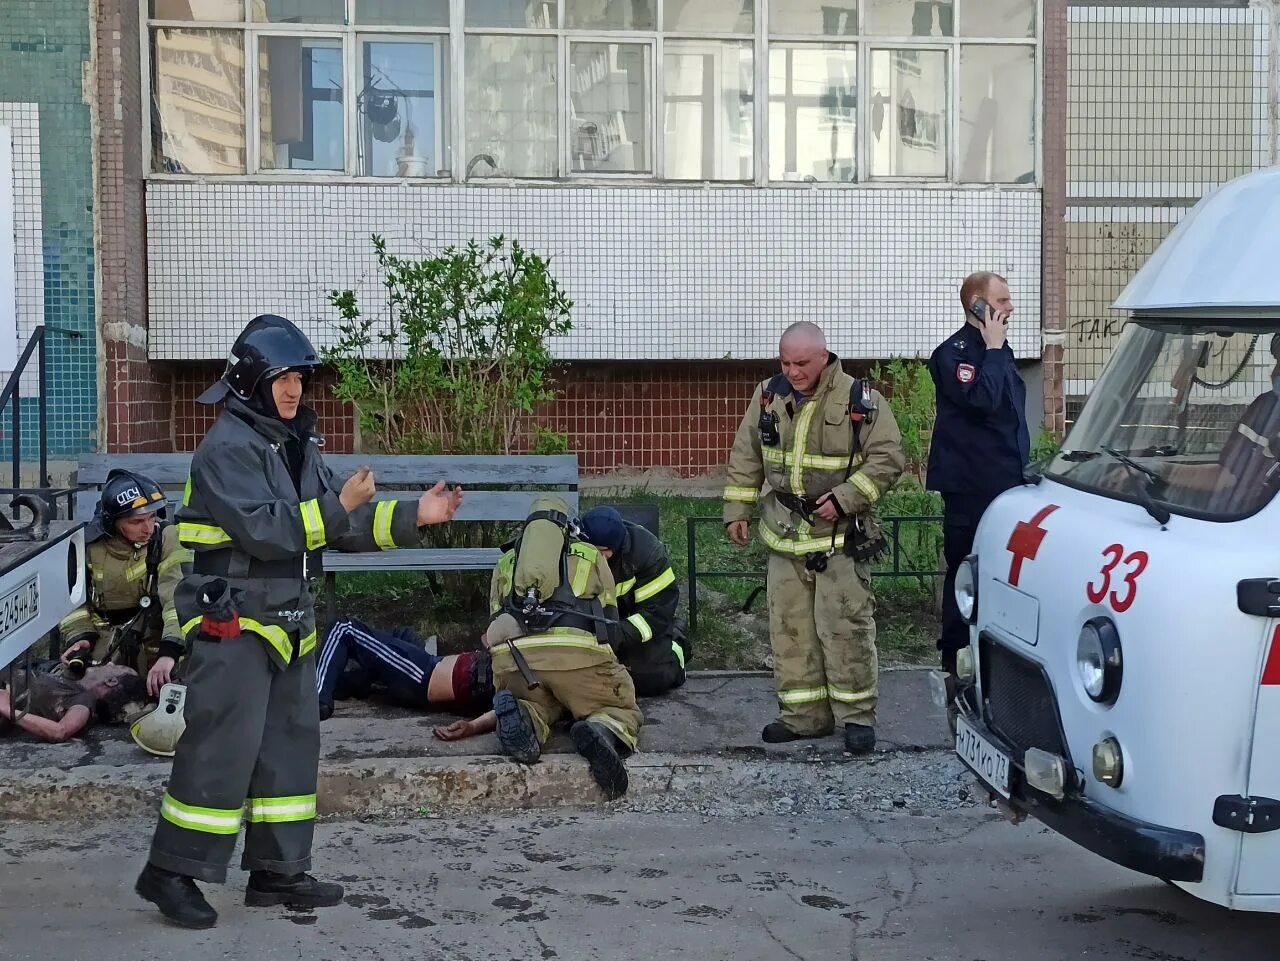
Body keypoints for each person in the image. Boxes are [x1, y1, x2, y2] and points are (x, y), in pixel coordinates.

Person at [134, 314, 463, 931]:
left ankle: (277, 871)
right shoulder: (225, 447)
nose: (293, 391)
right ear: (251, 382)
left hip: (288, 618)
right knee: (221, 751)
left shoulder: (295, 444)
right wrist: (339, 507)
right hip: (234, 619)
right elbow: (269, 530)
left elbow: (339, 522)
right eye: (281, 378)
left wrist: (420, 511)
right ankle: (170, 872)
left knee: (289, 747)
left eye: (300, 380)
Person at [722, 322, 904, 754]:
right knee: (790, 631)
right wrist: (737, 509)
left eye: (801, 362)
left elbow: (888, 457)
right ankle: (803, 718)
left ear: (824, 356)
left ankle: (857, 717)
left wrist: (846, 498)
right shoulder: (769, 395)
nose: (793, 371)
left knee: (845, 629)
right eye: (785, 361)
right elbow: (747, 451)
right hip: (784, 533)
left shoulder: (862, 401)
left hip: (838, 537)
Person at [482, 494, 642, 800]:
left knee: (540, 699)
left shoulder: (506, 561)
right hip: (577, 659)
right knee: (619, 706)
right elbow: (608, 623)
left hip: (515, 665)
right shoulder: (589, 554)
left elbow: (493, 621)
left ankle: (527, 717)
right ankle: (602, 728)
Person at [926, 272, 1029, 690]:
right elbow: (983, 402)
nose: (1010, 307)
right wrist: (991, 348)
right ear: (978, 306)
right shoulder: (955, 354)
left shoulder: (997, 351)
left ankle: (995, 658)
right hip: (970, 486)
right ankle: (956, 663)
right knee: (965, 570)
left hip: (1005, 482)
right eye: (1001, 300)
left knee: (1000, 574)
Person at [58, 469, 192, 697]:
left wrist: (169, 651)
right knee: (81, 693)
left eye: (152, 517)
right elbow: (70, 603)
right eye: (137, 521)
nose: (148, 528)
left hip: (155, 640)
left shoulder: (166, 538)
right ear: (112, 522)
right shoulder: (85, 547)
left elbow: (176, 598)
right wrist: (81, 639)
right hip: (101, 643)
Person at [579, 506, 688, 696]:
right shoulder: (571, 554)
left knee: (652, 679)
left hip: (633, 626)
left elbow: (655, 614)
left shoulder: (648, 554)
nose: (598, 558)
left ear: (616, 546)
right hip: (590, 630)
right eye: (592, 551)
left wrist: (615, 635)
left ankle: (677, 642)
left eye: (603, 552)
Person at [316, 618, 493, 720]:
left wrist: (471, 727)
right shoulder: (514, 667)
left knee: (343, 628)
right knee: (404, 634)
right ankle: (350, 683)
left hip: (423, 676)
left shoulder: (514, 677)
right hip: (431, 668)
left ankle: (317, 701)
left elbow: (488, 638)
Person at [0, 661, 148, 743]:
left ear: (111, 681)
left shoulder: (85, 700)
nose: (109, 663)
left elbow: (60, 731)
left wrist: (7, 709)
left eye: (116, 666)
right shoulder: (74, 683)